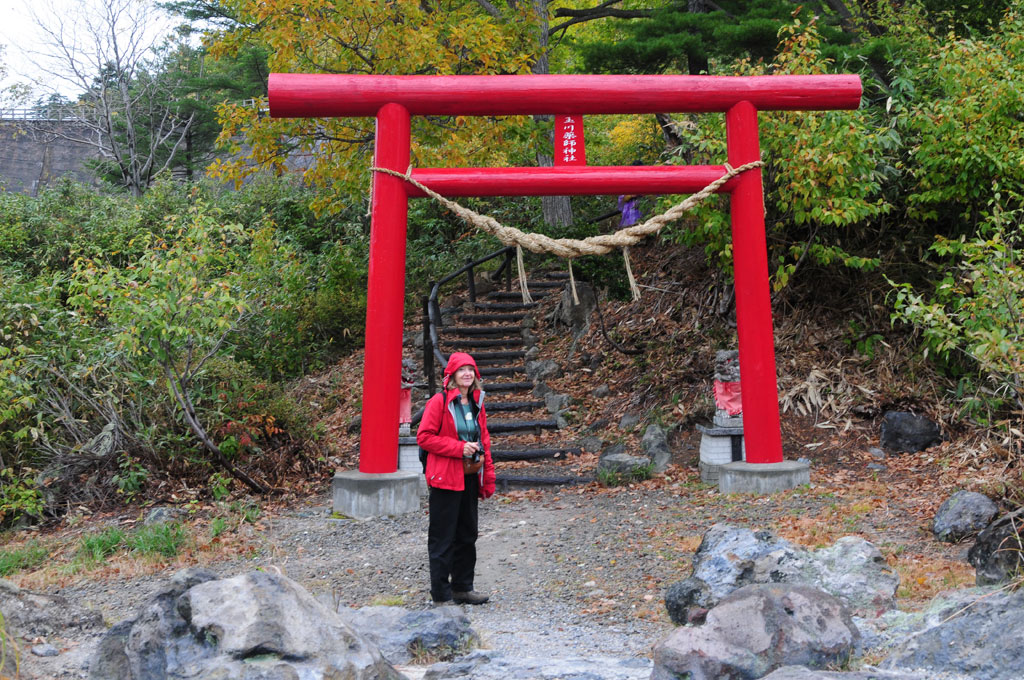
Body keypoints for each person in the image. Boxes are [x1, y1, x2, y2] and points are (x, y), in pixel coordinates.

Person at [417, 352, 496, 605]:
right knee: (443, 537)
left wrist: (489, 476)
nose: (467, 374)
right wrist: (457, 448)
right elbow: (424, 437)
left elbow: (484, 440)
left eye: (470, 370)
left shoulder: (476, 402)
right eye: (461, 370)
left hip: (469, 477)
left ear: (475, 375)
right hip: (444, 478)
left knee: (467, 534)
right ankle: (441, 594)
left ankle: (462, 587)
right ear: (451, 375)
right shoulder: (439, 402)